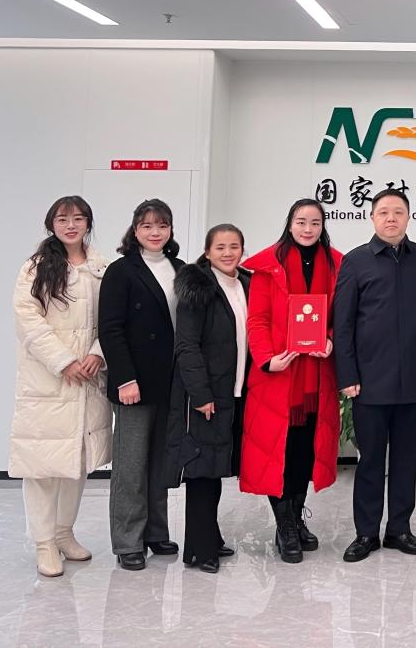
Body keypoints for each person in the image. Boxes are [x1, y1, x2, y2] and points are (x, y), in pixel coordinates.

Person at [9, 196, 112, 578]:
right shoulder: (35, 268)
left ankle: (64, 534)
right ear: (51, 224)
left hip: (89, 379)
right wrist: (64, 361)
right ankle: (43, 543)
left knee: (76, 461)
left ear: (88, 223)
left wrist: (98, 353)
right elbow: (28, 320)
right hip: (48, 380)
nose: (71, 225)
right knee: (42, 466)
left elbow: (114, 319)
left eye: (79, 218)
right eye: (63, 219)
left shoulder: (101, 268)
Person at [335, 188, 416, 562]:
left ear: (408, 217)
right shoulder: (355, 261)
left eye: (398, 212)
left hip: (412, 381)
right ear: (373, 218)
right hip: (369, 381)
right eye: (383, 212)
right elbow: (343, 323)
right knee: (371, 461)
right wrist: (347, 374)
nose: (391, 218)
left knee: (407, 461)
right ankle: (365, 533)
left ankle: (399, 530)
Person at [240, 200, 343, 563]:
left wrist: (330, 339)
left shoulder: (336, 264)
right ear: (289, 224)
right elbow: (257, 320)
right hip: (278, 375)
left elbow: (340, 316)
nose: (308, 229)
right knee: (278, 452)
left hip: (316, 377)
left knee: (304, 451)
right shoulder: (269, 266)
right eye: (301, 222)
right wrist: (267, 358)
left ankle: (296, 517)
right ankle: (284, 526)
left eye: (315, 223)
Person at [99, 198, 184, 571]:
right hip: (134, 383)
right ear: (135, 231)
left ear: (170, 230)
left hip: (171, 382)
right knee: (131, 466)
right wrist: (125, 379)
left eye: (162, 225)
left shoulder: (180, 269)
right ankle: (127, 541)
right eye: (147, 226)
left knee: (161, 463)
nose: (155, 232)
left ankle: (155, 532)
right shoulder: (121, 271)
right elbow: (110, 329)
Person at [166, 224, 251, 573]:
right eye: (220, 247)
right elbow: (186, 345)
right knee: (202, 472)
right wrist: (200, 394)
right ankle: (200, 551)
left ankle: (210, 538)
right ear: (207, 252)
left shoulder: (246, 283)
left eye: (234, 246)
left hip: (236, 391)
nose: (228, 253)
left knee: (216, 469)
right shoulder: (198, 287)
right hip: (207, 395)